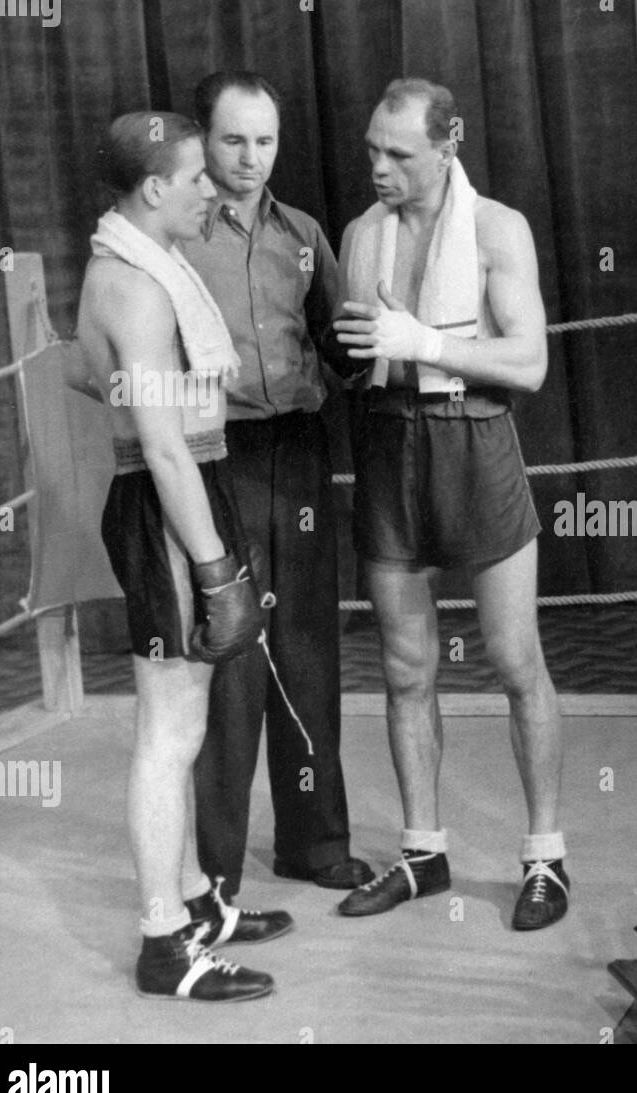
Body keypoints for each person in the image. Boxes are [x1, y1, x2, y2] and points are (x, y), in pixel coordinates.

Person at [332, 78, 569, 930]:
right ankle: (423, 852)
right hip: (392, 443)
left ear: (449, 143)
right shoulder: (363, 234)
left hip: (474, 440)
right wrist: (360, 354)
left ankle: (546, 856)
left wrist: (427, 342)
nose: (380, 166)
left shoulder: (499, 228)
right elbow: (360, 352)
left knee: (513, 659)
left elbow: (531, 363)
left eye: (398, 153)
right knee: (403, 668)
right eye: (371, 150)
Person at [77, 110, 292, 1001]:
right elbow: (163, 446)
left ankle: (199, 899)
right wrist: (213, 568)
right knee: (168, 734)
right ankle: (164, 942)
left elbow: (97, 381)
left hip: (185, 490)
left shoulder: (134, 268)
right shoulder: (132, 286)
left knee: (187, 722)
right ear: (155, 188)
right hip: (168, 501)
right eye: (199, 175)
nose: (215, 187)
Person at [181, 72, 373, 899]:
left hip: (299, 450)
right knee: (231, 662)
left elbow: (341, 340)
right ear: (204, 139)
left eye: (265, 140)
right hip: (214, 454)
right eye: (232, 140)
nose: (251, 157)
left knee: (305, 651)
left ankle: (315, 845)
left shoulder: (303, 232)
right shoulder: (177, 237)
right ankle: (216, 876)